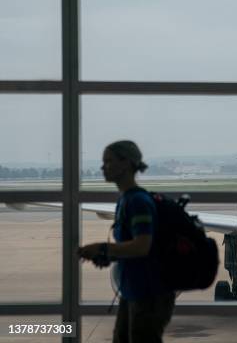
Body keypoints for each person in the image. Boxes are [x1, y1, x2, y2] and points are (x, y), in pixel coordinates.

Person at [78, 140, 175, 343]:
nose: (103, 167)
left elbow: (142, 246)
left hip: (148, 294)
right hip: (133, 290)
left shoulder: (138, 202)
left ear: (126, 164)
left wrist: (103, 248)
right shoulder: (125, 199)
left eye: (108, 161)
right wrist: (107, 255)